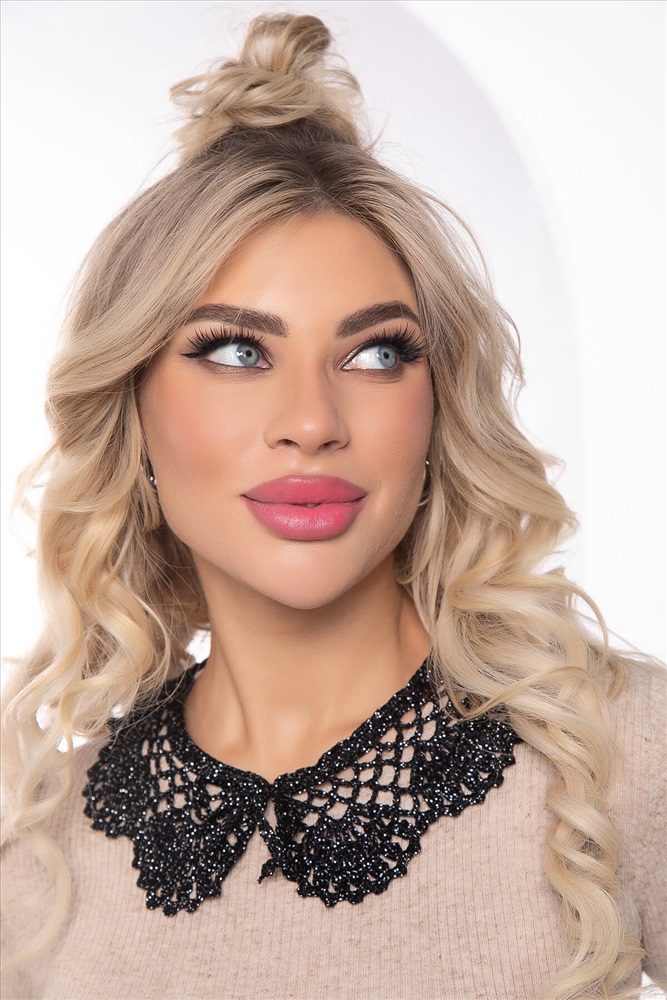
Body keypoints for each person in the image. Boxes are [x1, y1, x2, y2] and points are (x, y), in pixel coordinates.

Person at [1, 12, 664, 1000]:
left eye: (375, 353)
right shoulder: (37, 857)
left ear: (436, 408)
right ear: (130, 411)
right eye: (236, 351)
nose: (311, 422)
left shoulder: (619, 757)